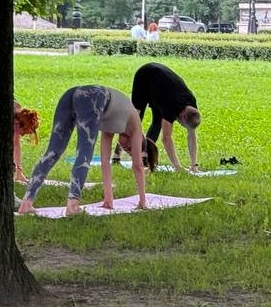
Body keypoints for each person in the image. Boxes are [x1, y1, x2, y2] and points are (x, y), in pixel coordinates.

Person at [17, 86, 159, 216]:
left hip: (74, 94)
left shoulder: (112, 124)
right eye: (130, 148)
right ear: (141, 140)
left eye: (128, 150)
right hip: (92, 97)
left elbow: (105, 162)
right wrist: (143, 201)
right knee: (83, 152)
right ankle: (72, 205)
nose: (127, 148)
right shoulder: (136, 128)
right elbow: (138, 166)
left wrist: (108, 199)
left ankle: (26, 203)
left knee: (53, 151)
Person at [128, 62, 201, 172]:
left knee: (157, 122)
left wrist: (194, 164)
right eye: (183, 125)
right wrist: (178, 167)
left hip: (161, 89)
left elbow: (192, 134)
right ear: (182, 115)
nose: (182, 126)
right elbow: (166, 138)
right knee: (136, 118)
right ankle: (117, 154)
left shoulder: (191, 103)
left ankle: (146, 156)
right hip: (145, 77)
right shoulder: (172, 106)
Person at [13, 100, 40, 183]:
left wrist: (18, 171)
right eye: (24, 132)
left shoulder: (18, 115)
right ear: (17, 123)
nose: (23, 135)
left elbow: (16, 145)